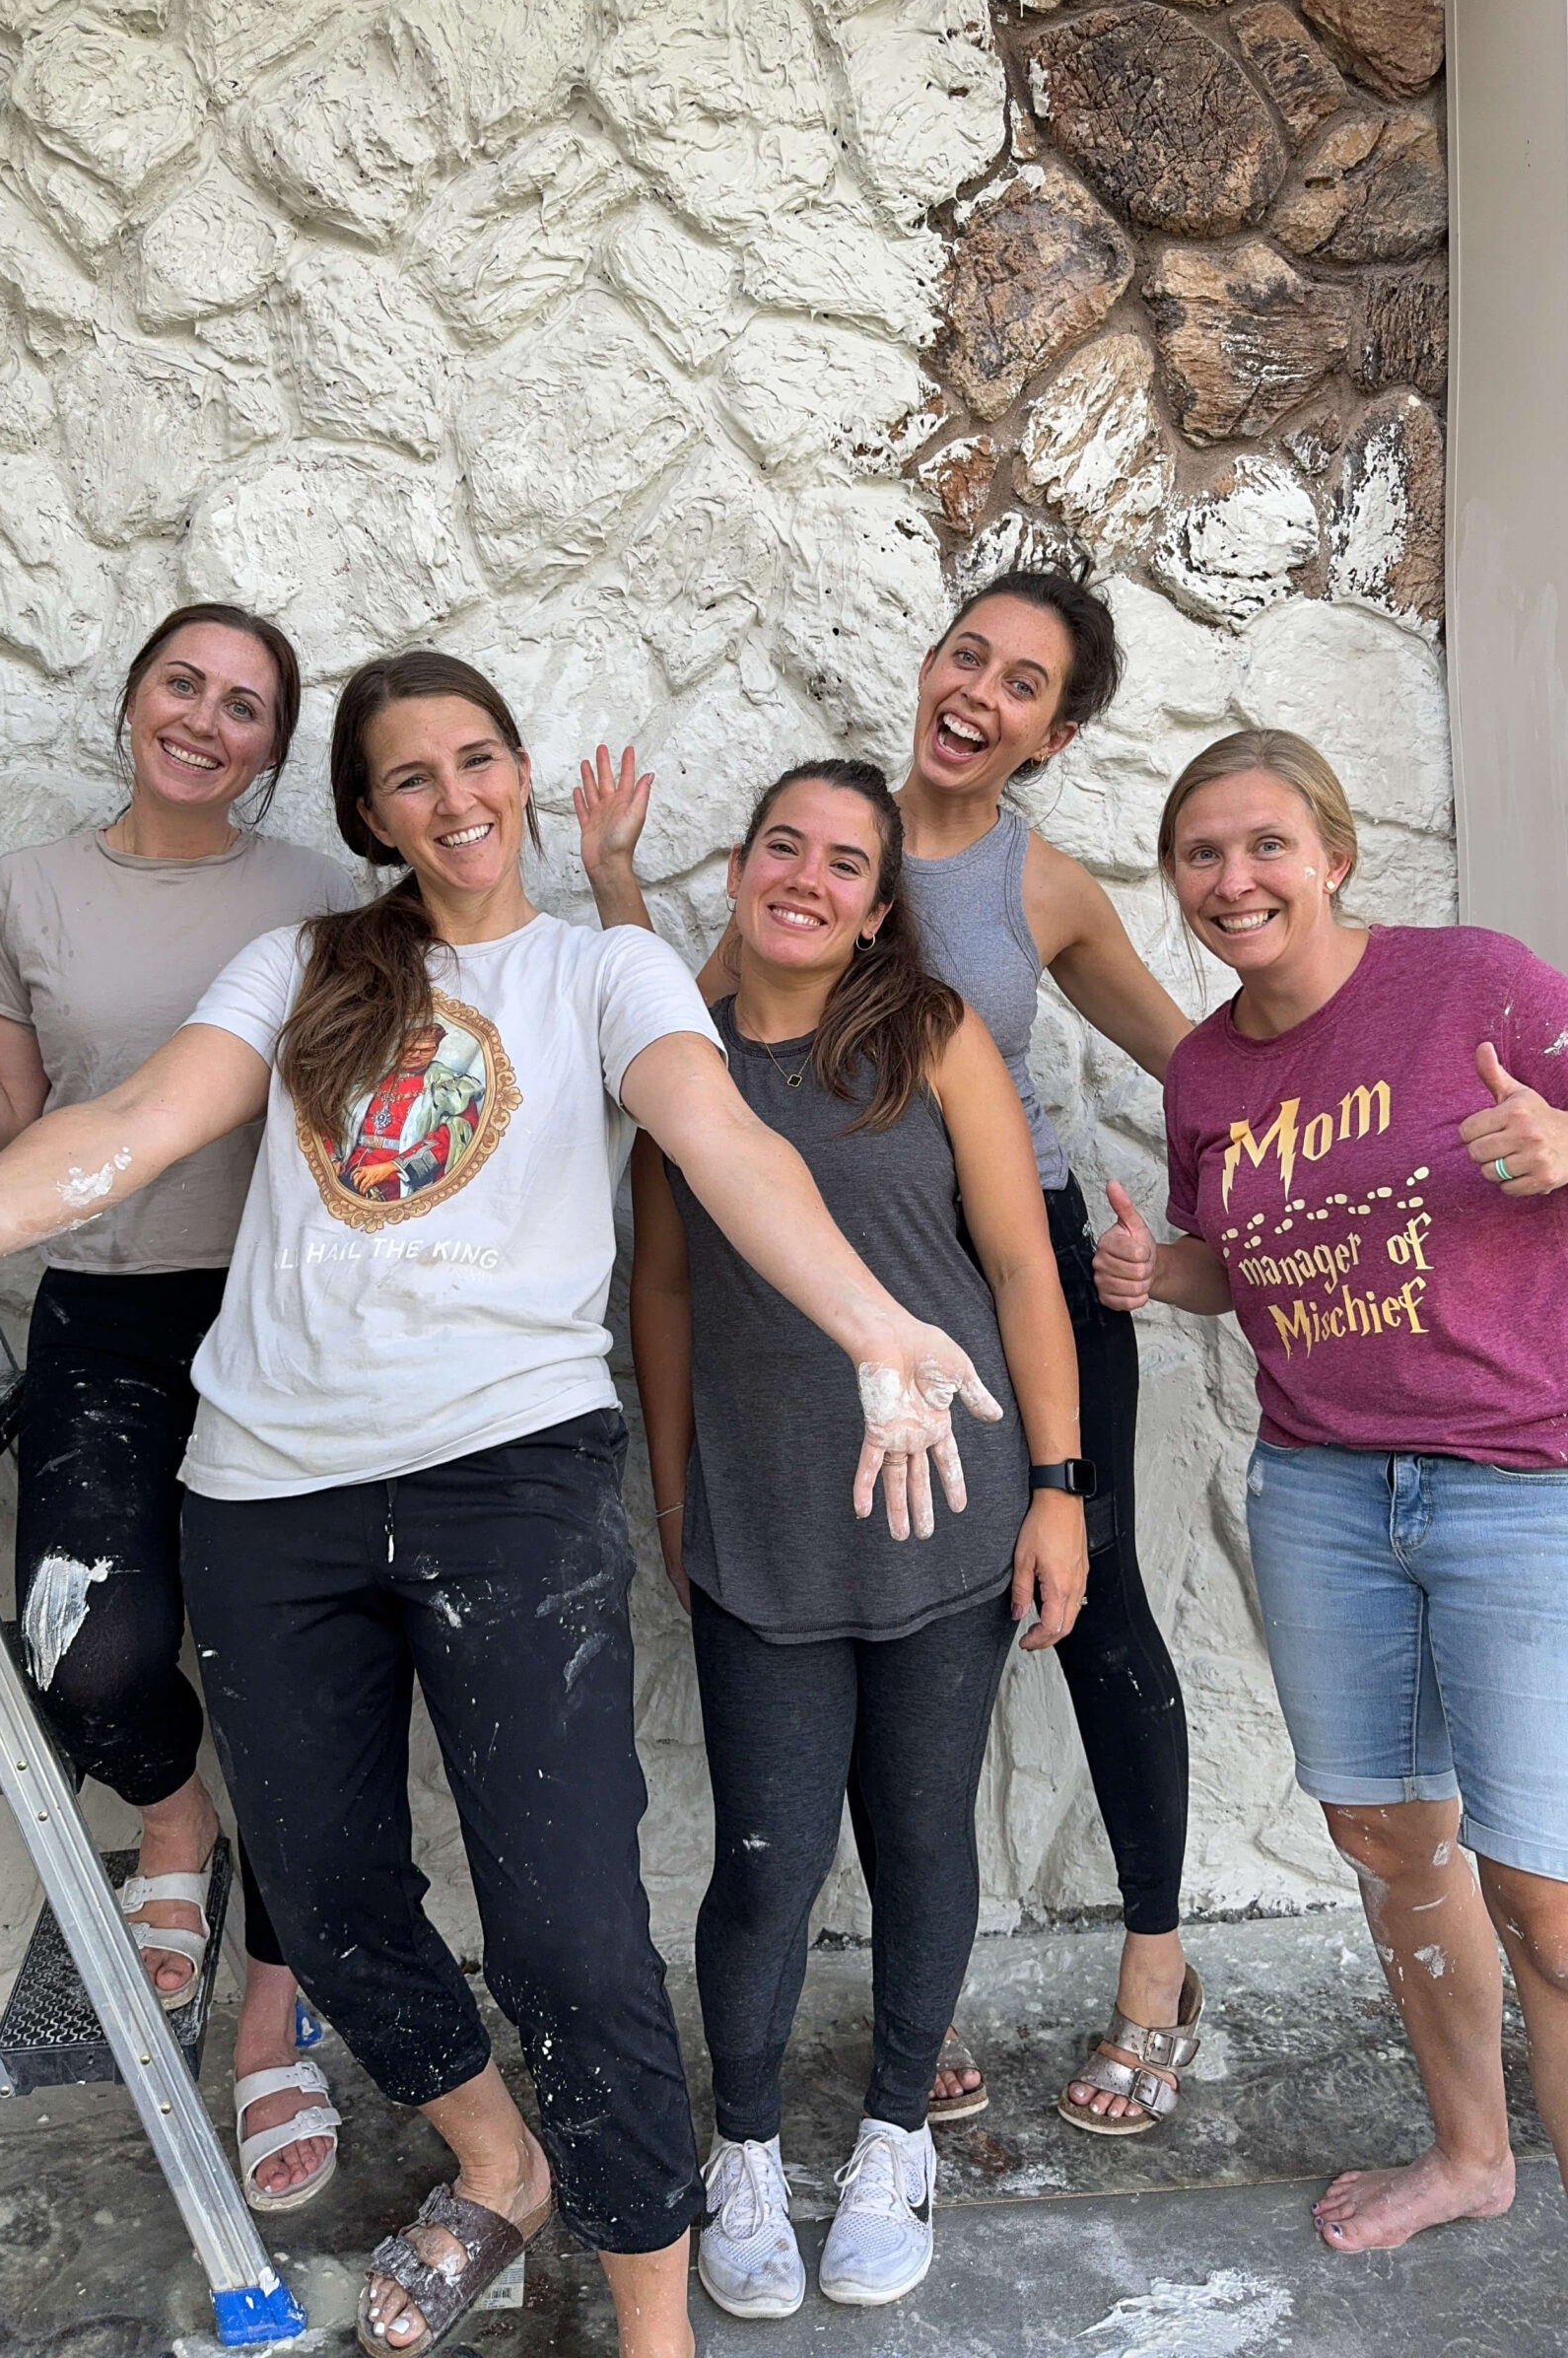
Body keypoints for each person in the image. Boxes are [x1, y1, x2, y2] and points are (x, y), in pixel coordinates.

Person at [0, 653, 1002, 2358]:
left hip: (508, 1475)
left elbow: (726, 1143)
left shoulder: (605, 967)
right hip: (266, 1488)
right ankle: (497, 2166)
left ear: (517, 771)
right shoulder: (301, 963)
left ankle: (654, 2332)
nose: (457, 797)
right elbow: (130, 1126)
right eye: (411, 776)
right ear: (369, 814)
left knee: (574, 1941)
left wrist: (880, 1322)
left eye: (479, 757)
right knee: (336, 1904)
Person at [579, 571, 1201, 2134]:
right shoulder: (817, 850)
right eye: (967, 654)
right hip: (823, 1301)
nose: (980, 691)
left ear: (1053, 734)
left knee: (1082, 1594)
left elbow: (1185, 1058)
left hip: (1018, 1270)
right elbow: (685, 1059)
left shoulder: (1035, 886)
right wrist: (610, 886)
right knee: (826, 1717)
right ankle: (904, 2026)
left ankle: (1150, 1967)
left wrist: (1258, 1203)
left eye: (1025, 685)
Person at [1094, 728, 1568, 2357]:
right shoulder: (1208, 1074)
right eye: (1199, 855)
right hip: (1325, 1493)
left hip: (1537, 1480)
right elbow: (1236, 1264)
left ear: (1332, 854)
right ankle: (1472, 2158)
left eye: (1263, 846)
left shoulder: (1473, 983)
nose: (1232, 882)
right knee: (1391, 1845)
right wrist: (1155, 1278)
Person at [629, 758, 1088, 2316]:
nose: (808, 879)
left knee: (920, 1834)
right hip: (761, 1528)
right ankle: (744, 2148)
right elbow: (669, 1290)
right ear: (743, 867)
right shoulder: (675, 1062)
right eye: (783, 847)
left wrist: (1058, 1487)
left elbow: (1025, 1272)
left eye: (845, 863)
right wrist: (680, 1497)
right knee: (764, 1863)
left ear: (880, 906)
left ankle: (897, 2135)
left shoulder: (933, 1038)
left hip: (948, 1516)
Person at [0, 603, 352, 2211]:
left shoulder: (319, 897)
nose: (205, 719)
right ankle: (174, 1824)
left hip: (281, 1321)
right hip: (103, 1316)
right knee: (84, 1648)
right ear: (130, 701)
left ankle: (276, 2008)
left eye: (245, 706)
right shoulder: (29, 890)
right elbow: (17, 1128)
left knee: (306, 1696)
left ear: (271, 750)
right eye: (183, 684)